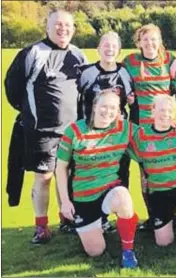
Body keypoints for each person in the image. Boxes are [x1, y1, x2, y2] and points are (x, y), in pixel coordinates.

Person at [4, 10, 88, 244]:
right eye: (58, 25)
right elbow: (12, 88)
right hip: (42, 131)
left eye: (68, 25)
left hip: (72, 131)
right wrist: (32, 115)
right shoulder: (33, 53)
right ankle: (41, 226)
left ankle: (67, 218)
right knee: (44, 177)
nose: (63, 29)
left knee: (69, 175)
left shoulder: (78, 55)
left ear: (73, 29)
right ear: (47, 27)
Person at [55, 91, 139, 268]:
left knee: (123, 197)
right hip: (84, 195)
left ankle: (128, 251)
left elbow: (156, 134)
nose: (107, 112)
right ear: (94, 106)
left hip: (110, 187)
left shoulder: (125, 128)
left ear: (118, 111)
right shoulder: (74, 131)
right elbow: (61, 167)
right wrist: (65, 202)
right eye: (104, 106)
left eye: (113, 108)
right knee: (95, 251)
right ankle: (97, 224)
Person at [128, 95, 176, 264]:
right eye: (162, 110)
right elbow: (122, 139)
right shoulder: (140, 135)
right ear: (153, 111)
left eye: (170, 111)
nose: (166, 114)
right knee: (164, 243)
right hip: (158, 193)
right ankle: (167, 220)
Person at [122, 24, 176, 231]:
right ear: (139, 42)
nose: (150, 43)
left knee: (170, 169)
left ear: (160, 42)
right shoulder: (130, 61)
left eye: (154, 39)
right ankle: (154, 216)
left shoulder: (169, 59)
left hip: (167, 123)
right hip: (142, 125)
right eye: (146, 40)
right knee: (147, 173)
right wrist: (127, 96)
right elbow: (118, 80)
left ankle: (172, 214)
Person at [77, 32, 134, 235]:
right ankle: (94, 218)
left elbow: (131, 102)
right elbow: (78, 104)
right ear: (98, 48)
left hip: (118, 138)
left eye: (114, 46)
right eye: (105, 45)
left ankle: (121, 218)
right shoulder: (87, 73)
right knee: (94, 176)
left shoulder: (125, 73)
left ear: (119, 50)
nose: (110, 49)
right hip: (92, 137)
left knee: (120, 176)